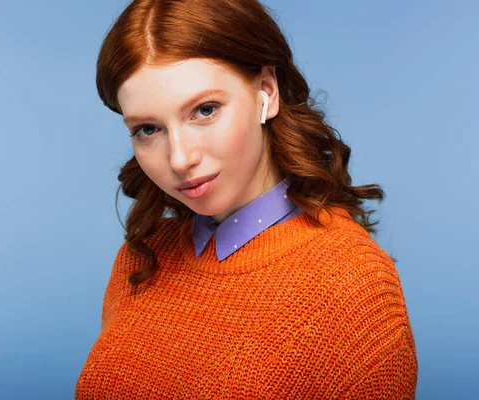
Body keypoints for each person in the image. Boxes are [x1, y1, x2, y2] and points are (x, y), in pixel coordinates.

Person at [76, 0, 418, 398]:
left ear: (266, 93)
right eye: (148, 129)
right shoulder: (142, 258)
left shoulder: (352, 285)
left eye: (205, 110)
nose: (180, 159)